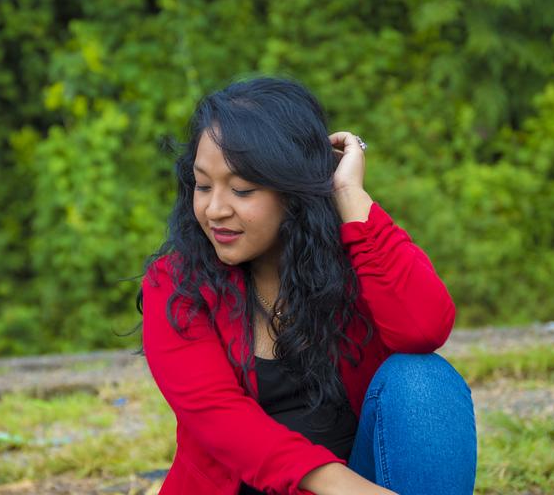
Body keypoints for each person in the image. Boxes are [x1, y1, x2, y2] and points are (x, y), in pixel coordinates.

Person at [139, 77, 477, 495]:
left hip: (366, 478)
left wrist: (349, 193)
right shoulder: (176, 284)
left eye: (242, 189)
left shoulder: (353, 263)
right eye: (203, 185)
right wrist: (350, 489)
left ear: (293, 190)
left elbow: (424, 328)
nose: (214, 209)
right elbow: (221, 419)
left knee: (423, 379)